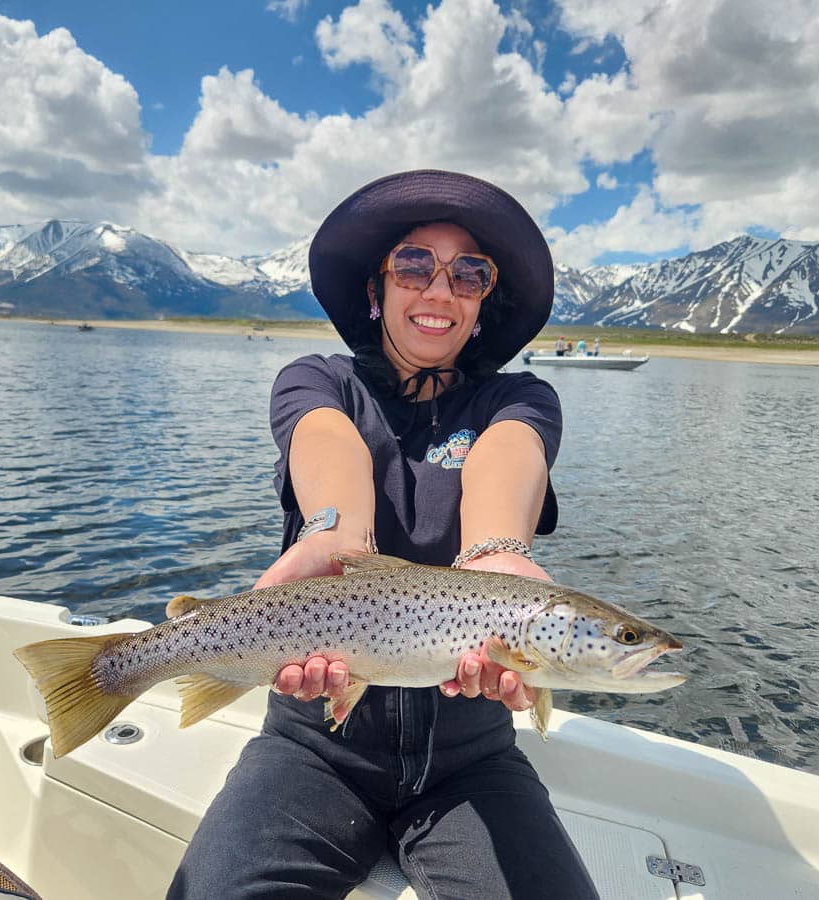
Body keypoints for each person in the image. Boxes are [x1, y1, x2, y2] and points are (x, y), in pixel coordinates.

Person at [168, 170, 598, 899]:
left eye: (469, 272)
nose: (439, 291)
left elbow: (509, 453)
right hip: (313, 751)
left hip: (472, 763)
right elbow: (325, 442)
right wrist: (334, 534)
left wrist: (499, 555)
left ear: (485, 297)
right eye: (413, 265)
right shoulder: (318, 381)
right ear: (376, 290)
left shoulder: (518, 399)